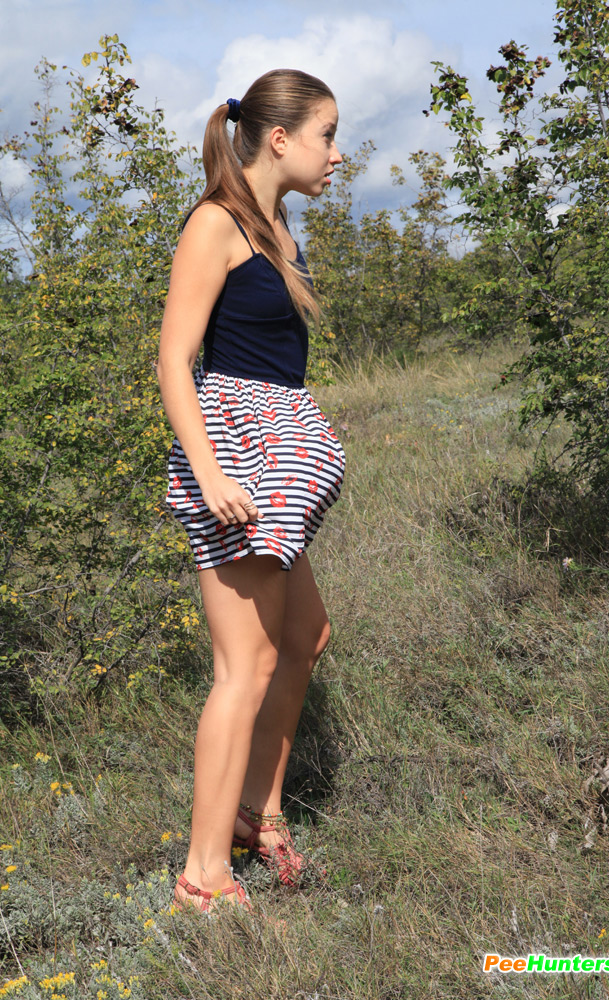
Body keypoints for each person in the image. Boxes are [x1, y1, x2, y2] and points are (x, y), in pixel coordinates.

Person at [157, 69, 345, 913]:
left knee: (303, 636)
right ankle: (202, 876)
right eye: (325, 135)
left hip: (271, 450)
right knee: (246, 664)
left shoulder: (277, 227)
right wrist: (208, 472)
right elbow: (174, 359)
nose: (335, 155)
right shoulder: (215, 223)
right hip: (232, 456)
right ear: (279, 138)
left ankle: (255, 815)